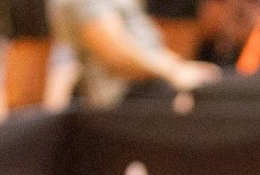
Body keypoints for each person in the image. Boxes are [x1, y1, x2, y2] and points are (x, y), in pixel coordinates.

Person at [49, 0, 219, 109]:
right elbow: (115, 55)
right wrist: (175, 71)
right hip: (126, 99)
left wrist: (180, 68)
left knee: (227, 87)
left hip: (149, 89)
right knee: (220, 101)